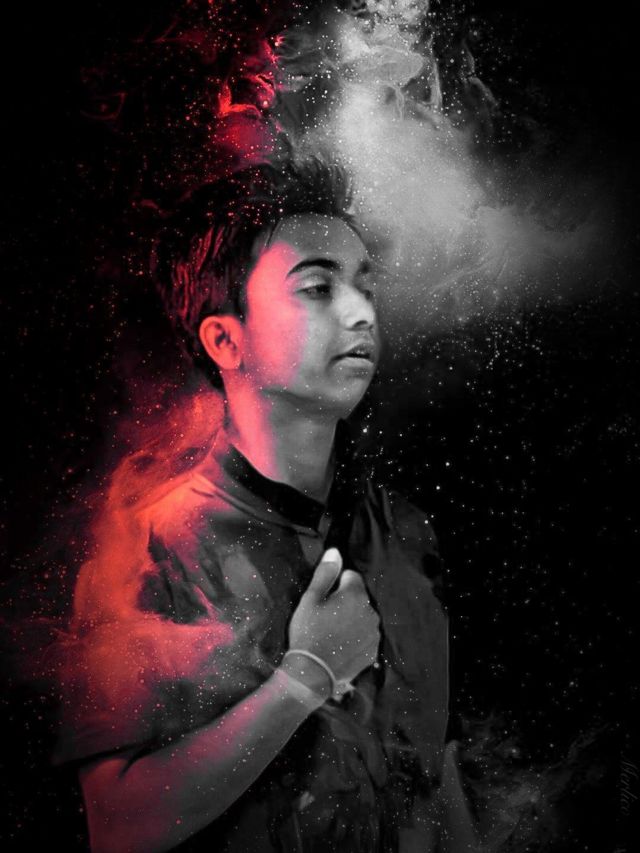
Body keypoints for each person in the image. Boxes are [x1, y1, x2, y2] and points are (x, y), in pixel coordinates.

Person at [51, 156, 479, 852]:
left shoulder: (403, 530)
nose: (361, 311)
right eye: (318, 287)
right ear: (226, 339)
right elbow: (118, 826)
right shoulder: (150, 547)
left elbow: (437, 772)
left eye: (365, 285)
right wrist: (303, 678)